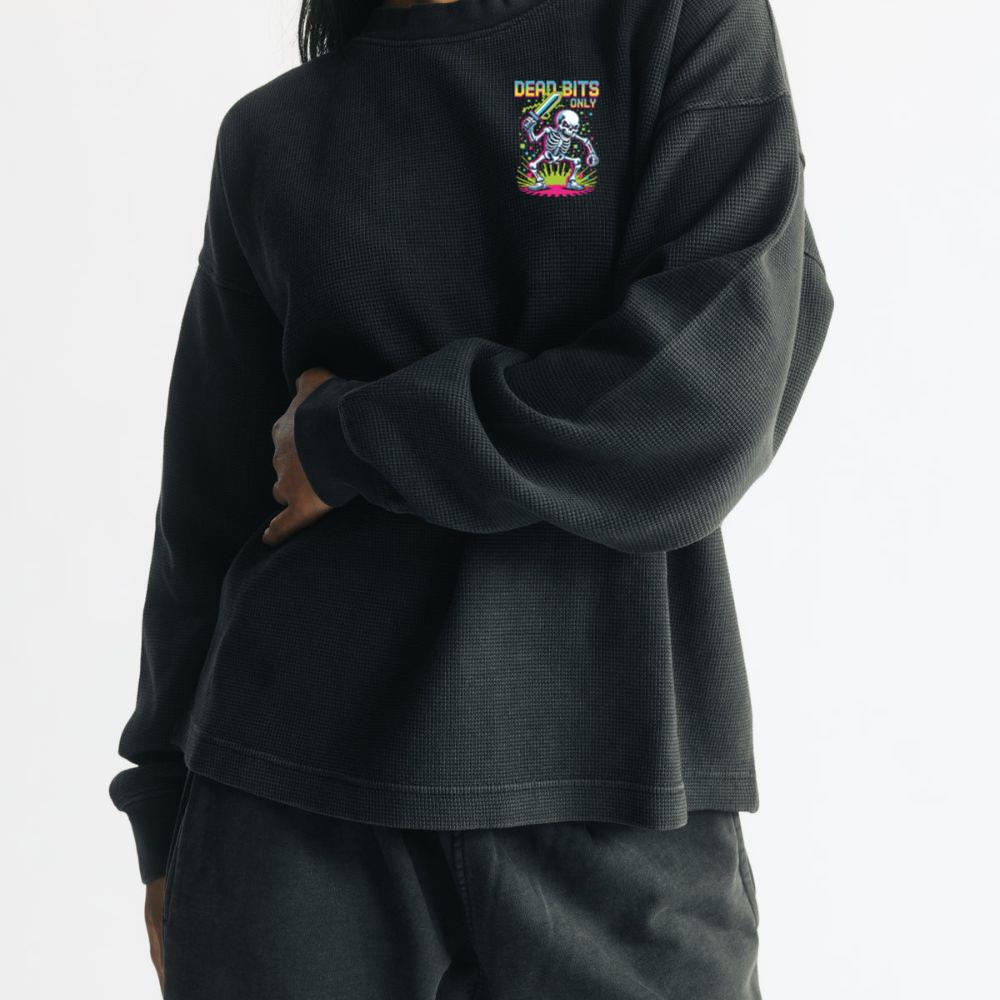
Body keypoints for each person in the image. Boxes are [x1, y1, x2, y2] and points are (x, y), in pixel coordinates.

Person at [109, 0, 834, 996]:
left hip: (620, 797)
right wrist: (160, 808)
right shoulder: (271, 133)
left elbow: (708, 402)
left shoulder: (673, 26)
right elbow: (208, 505)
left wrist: (355, 435)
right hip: (286, 816)